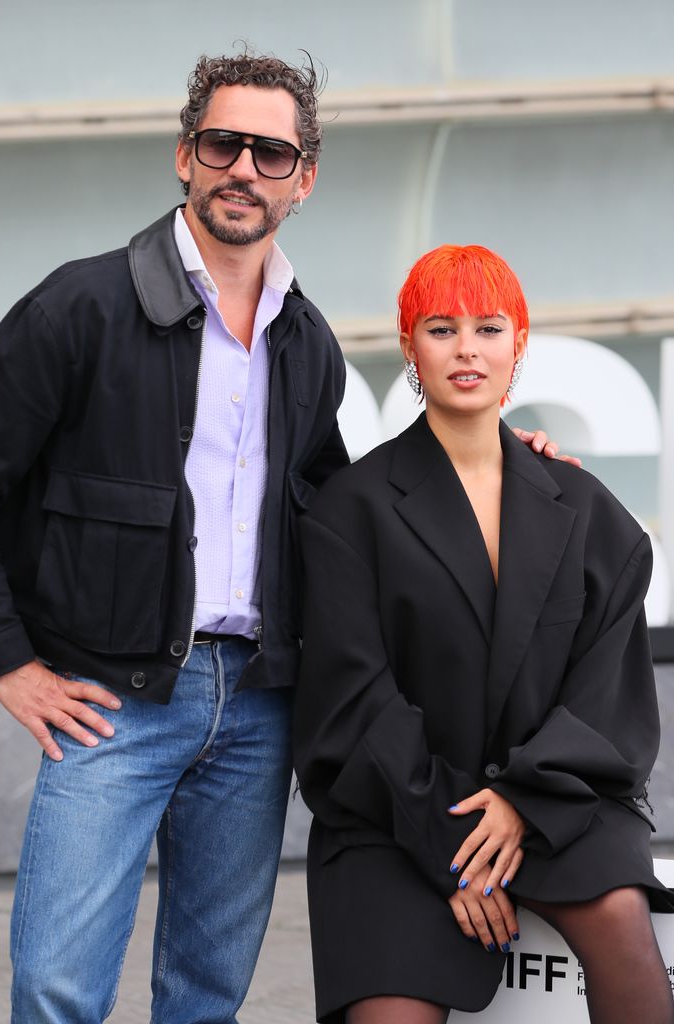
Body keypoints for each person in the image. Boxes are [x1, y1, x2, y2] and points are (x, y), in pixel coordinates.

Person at [0, 49, 572, 1022]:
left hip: (256, 707)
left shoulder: (306, 340)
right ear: (184, 155)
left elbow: (349, 508)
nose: (243, 167)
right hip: (106, 701)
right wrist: (6, 661)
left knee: (208, 992)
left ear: (304, 179)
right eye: (223, 143)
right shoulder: (78, 308)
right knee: (54, 988)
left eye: (271, 152)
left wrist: (492, 462)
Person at [293, 244, 674, 1024]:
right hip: (397, 815)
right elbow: (355, 699)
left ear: (519, 344)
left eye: (488, 327)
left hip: (556, 801)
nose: (467, 348)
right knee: (390, 1013)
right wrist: (456, 843)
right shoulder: (349, 511)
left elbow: (608, 691)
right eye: (441, 328)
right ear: (409, 349)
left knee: (620, 923)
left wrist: (520, 800)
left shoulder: (587, 509)